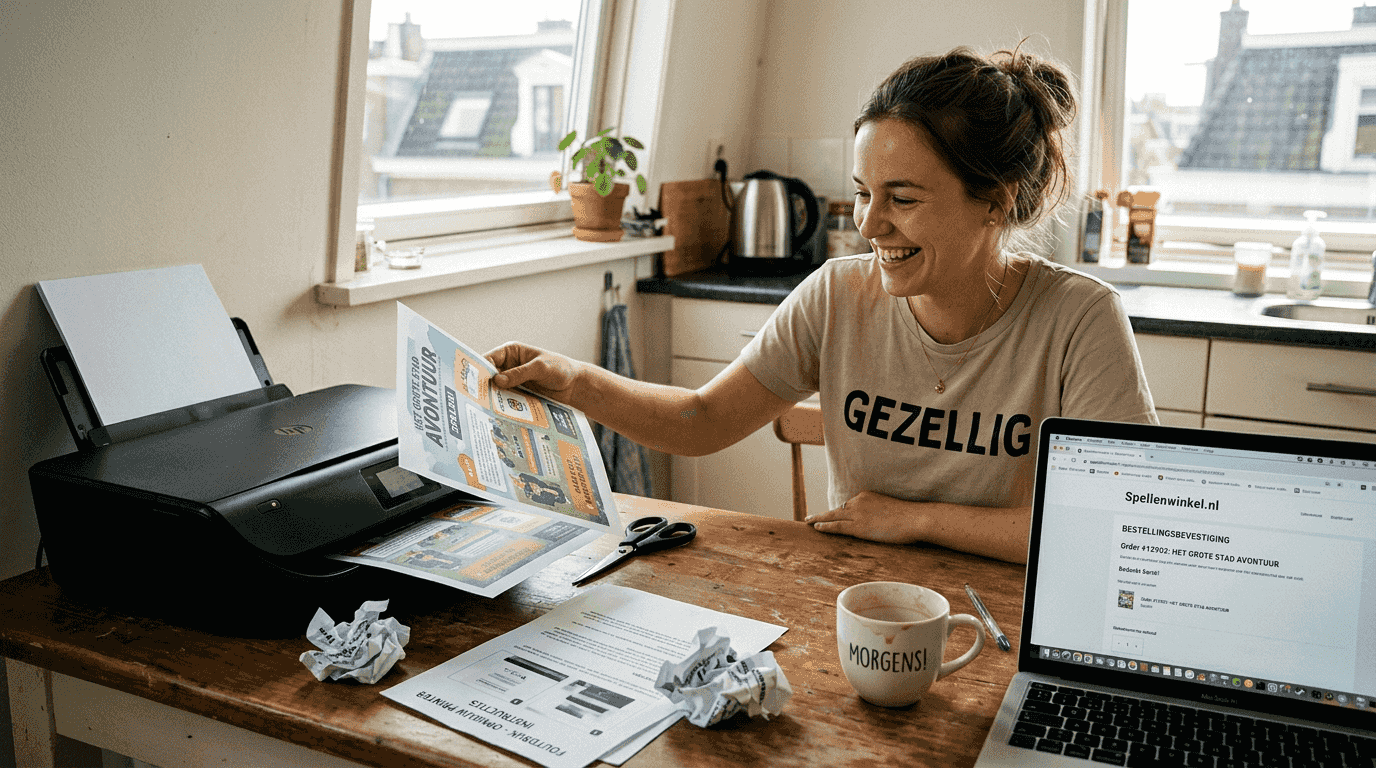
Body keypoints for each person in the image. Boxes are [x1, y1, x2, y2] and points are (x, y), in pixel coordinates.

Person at [487, 45, 1157, 564]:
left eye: (903, 198)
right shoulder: (838, 295)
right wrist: (574, 381)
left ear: (996, 199)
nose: (870, 226)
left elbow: (1116, 527)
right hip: (855, 600)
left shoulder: (1080, 320)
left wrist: (914, 518)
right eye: (864, 192)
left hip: (1005, 618)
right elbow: (702, 419)